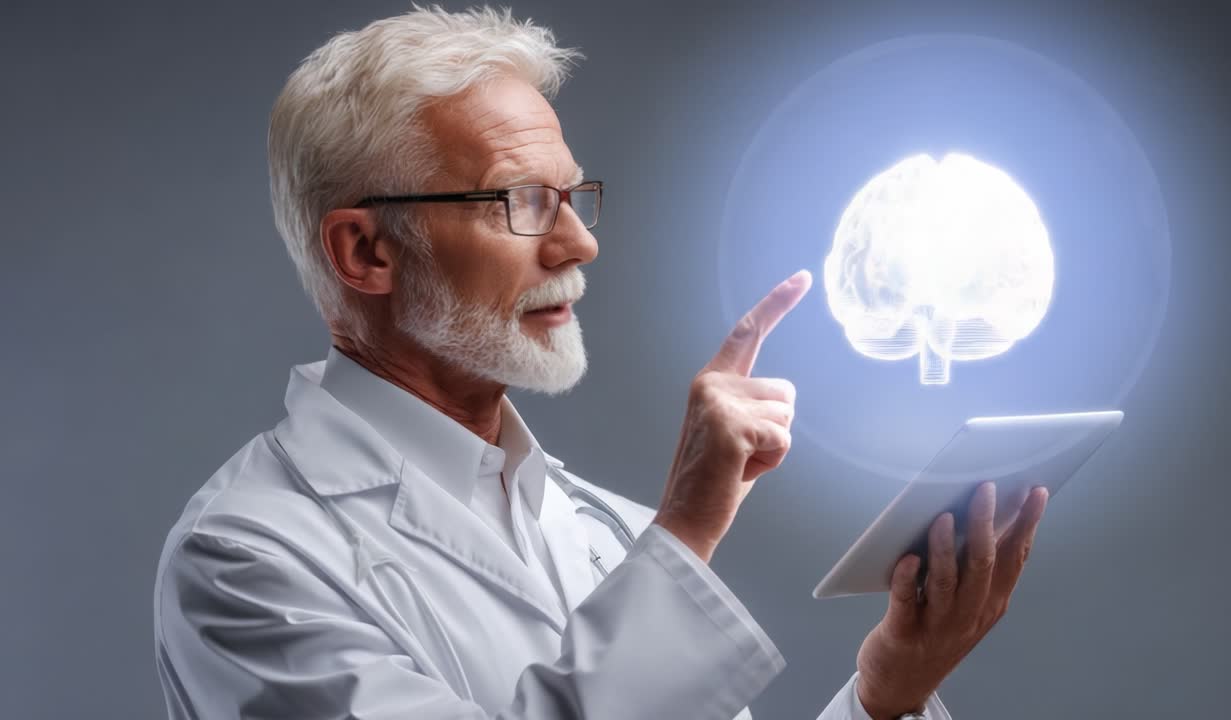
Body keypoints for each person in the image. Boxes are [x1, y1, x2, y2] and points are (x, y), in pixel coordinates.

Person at [152, 7, 1049, 719]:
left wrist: (886, 696)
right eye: (525, 202)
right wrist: (689, 532)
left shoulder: (602, 533)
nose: (579, 242)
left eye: (575, 198)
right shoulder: (247, 558)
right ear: (366, 254)